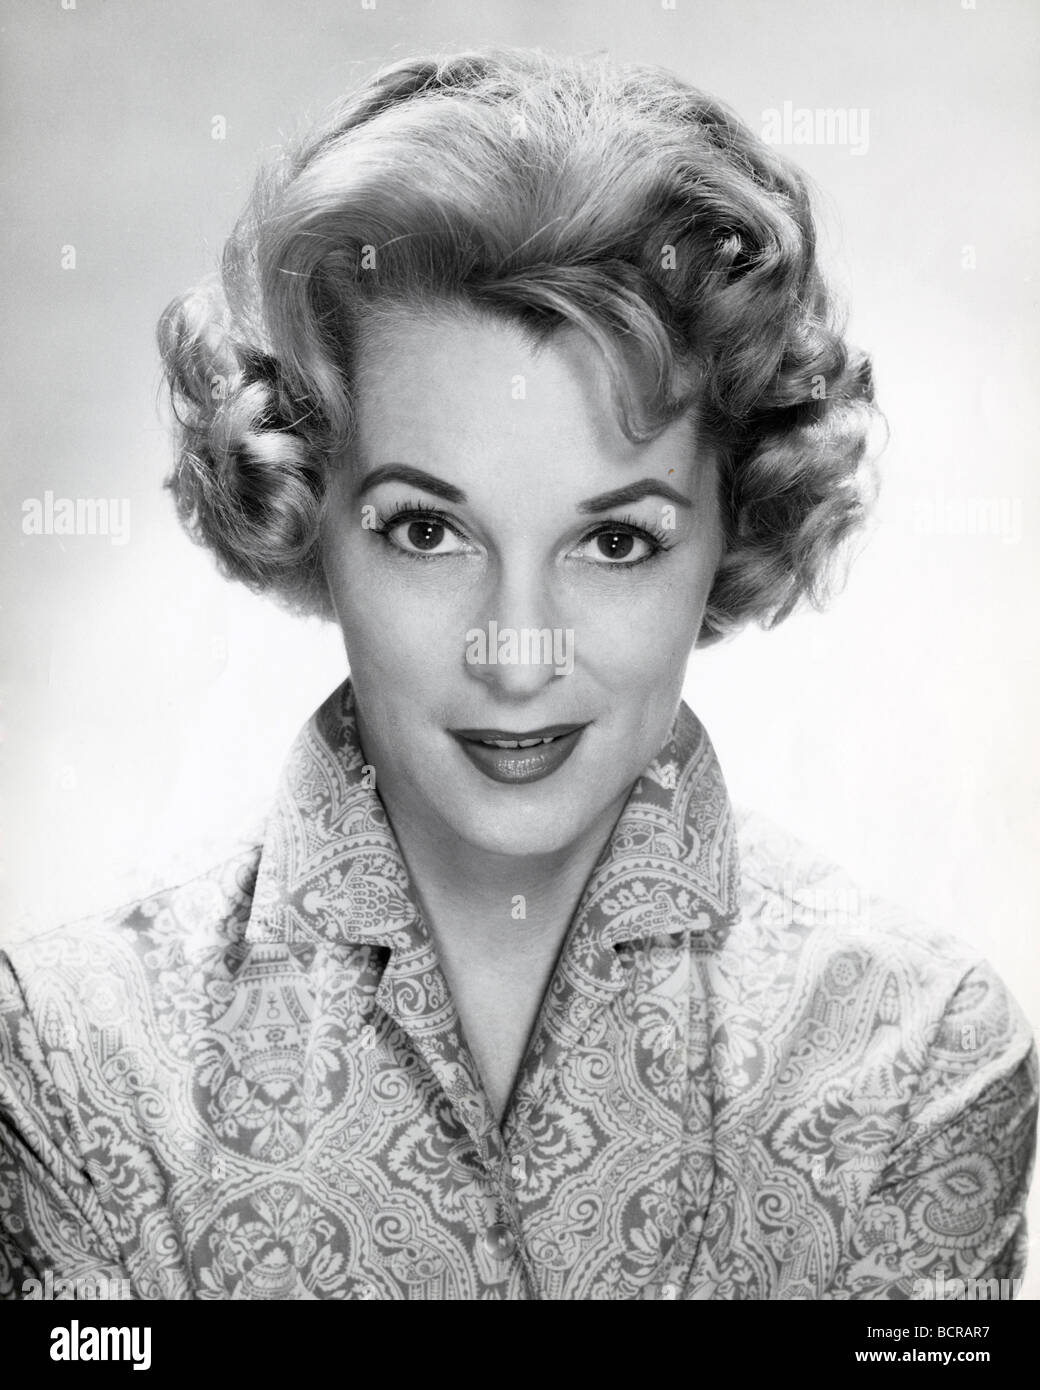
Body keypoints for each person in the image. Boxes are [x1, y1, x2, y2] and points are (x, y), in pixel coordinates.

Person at [0, 48, 1035, 1302]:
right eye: (428, 530)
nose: (518, 647)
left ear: (731, 530)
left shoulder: (914, 1058)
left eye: (614, 541)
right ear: (304, 515)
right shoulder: (69, 1053)